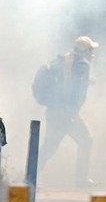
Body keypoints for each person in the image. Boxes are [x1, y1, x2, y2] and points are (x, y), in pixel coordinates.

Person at [36, 36, 98, 187]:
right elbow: (76, 92)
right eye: (91, 50)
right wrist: (71, 111)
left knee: (49, 146)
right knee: (86, 140)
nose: (92, 54)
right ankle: (81, 180)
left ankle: (29, 176)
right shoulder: (83, 65)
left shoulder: (64, 61)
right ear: (85, 51)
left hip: (54, 110)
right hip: (66, 113)